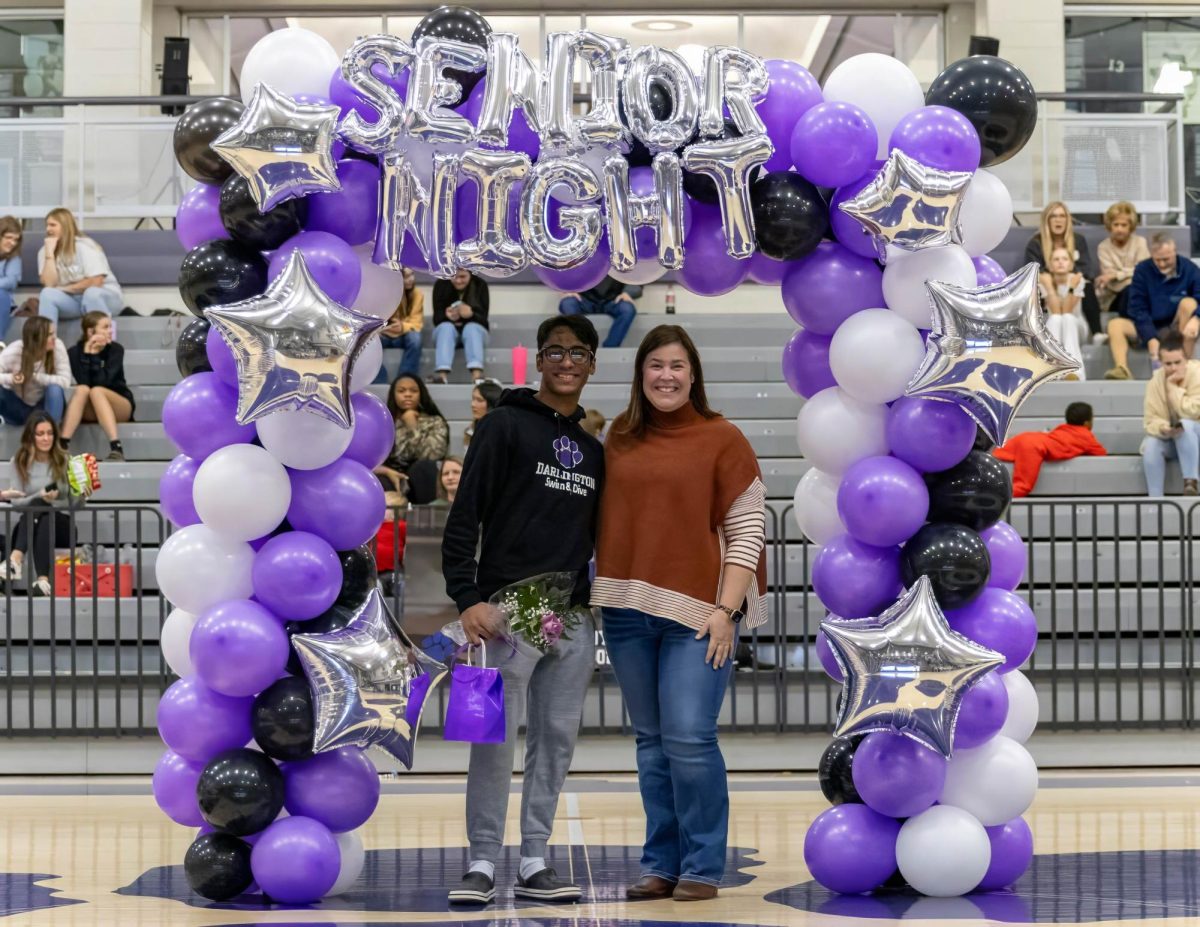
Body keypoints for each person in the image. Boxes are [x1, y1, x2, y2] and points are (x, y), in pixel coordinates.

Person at [591, 325, 768, 902]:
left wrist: (726, 610)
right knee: (651, 743)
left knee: (689, 739)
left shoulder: (724, 439)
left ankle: (702, 864)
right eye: (655, 366)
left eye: (677, 366)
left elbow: (747, 531)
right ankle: (660, 862)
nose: (666, 376)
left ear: (693, 374)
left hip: (700, 615)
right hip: (625, 612)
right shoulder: (618, 436)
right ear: (640, 374)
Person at [441, 314, 604, 906]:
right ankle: (483, 859)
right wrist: (467, 600)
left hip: (572, 615)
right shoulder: (504, 425)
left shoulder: (591, 450)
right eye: (556, 351)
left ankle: (534, 858)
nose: (567, 361)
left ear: (592, 364)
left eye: (578, 352)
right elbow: (465, 520)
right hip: (505, 613)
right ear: (539, 360)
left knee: (556, 739)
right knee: (492, 739)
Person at [0, 412, 77, 596]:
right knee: (40, 508)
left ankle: (15, 559)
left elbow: (75, 504)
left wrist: (82, 494)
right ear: (31, 436)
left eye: (50, 433)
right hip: (32, 525)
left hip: (62, 526)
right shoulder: (18, 462)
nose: (46, 438)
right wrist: (41, 495)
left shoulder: (65, 460)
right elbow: (17, 503)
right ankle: (43, 581)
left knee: (41, 508)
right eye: (40, 433)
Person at [1105, 234, 1200, 380]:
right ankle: (1122, 369)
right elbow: (1137, 308)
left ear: (1175, 252)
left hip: (1177, 326)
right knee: (1114, 325)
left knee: (1189, 304)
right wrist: (1150, 337)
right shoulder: (1142, 270)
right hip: (1147, 324)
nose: (1162, 264)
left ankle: (1184, 364)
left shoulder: (1190, 269)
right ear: (1151, 255)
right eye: (1157, 260)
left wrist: (1197, 318)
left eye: (1166, 259)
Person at [60, 312, 134, 461]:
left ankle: (116, 447)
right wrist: (89, 353)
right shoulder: (74, 352)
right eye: (105, 327)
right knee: (82, 389)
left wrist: (94, 357)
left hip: (119, 403)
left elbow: (105, 381)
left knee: (96, 391)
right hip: (90, 407)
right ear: (90, 332)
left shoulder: (116, 350)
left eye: (110, 327)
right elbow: (83, 381)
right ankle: (62, 445)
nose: (110, 331)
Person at [992, 402, 1107, 497]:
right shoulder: (1086, 436)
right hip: (1033, 447)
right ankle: (995, 498)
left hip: (1027, 437)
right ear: (1087, 423)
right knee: (1023, 486)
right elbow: (1101, 453)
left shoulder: (1063, 430)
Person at [1023, 201, 1101, 337]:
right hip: (1046, 287)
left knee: (1086, 286)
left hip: (1072, 285)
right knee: (1037, 289)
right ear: (1047, 220)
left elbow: (1086, 270)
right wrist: (1053, 280)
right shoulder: (1035, 243)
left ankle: (1097, 332)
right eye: (1053, 216)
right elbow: (1032, 273)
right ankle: (1036, 331)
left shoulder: (1078, 240)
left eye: (1062, 216)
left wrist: (1065, 278)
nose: (1058, 220)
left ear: (1067, 219)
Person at [36, 208, 123, 324]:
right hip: (74, 301)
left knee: (91, 293)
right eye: (47, 225)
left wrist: (65, 289)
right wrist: (49, 255)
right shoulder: (45, 251)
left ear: (65, 227)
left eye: (53, 225)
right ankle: (47, 340)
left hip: (105, 298)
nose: (48, 229)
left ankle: (104, 340)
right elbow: (49, 285)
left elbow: (96, 281)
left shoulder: (85, 246)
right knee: (46, 294)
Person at [1140, 331, 1200, 496]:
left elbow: (1194, 411)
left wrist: (1173, 389)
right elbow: (1150, 421)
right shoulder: (1155, 382)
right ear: (1160, 363)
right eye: (1168, 364)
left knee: (1185, 424)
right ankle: (1156, 500)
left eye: (1177, 362)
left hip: (1196, 435)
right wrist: (1163, 428)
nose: (1173, 368)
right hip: (1174, 438)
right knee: (1151, 444)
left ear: (1185, 359)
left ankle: (1191, 481)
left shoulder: (1197, 373)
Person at [374, 374, 449, 505]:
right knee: (380, 479)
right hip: (392, 478)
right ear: (393, 395)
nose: (408, 394)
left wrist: (412, 425)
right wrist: (387, 471)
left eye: (413, 391)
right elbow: (371, 458)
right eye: (401, 391)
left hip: (423, 479)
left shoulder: (435, 422)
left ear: (421, 394)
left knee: (423, 468)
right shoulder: (384, 423)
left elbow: (432, 455)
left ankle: (428, 520)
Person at [0, 317, 71, 425]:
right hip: (17, 407)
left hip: (43, 406)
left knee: (55, 389)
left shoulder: (58, 346)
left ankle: (51, 433)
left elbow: (65, 381)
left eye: (54, 333)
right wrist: (11, 378)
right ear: (36, 338)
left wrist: (35, 377)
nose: (54, 338)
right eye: (50, 335)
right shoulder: (15, 350)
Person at [432, 268, 489, 383]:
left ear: (470, 274)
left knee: (471, 328)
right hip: (448, 332)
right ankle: (441, 376)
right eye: (454, 276)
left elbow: (484, 320)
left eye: (462, 277)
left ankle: (477, 376)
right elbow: (436, 319)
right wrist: (446, 315)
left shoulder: (480, 285)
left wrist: (471, 313)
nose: (458, 281)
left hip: (474, 332)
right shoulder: (440, 284)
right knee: (446, 328)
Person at [1039, 248, 1088, 381]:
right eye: (1056, 259)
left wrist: (1071, 286)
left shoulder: (1077, 280)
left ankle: (1074, 371)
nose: (1061, 262)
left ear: (1071, 264)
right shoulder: (1045, 280)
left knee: (1067, 318)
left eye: (1065, 259)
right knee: (1055, 319)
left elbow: (1066, 310)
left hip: (1076, 325)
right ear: (1050, 265)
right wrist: (1049, 286)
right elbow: (1055, 311)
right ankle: (1053, 371)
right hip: (1056, 326)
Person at [1096, 201, 1150, 319]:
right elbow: (1111, 283)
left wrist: (1117, 275)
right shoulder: (1103, 247)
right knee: (1129, 290)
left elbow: (1144, 272)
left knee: (1133, 290)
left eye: (1124, 225)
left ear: (1131, 226)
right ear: (1110, 226)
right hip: (1113, 298)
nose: (1119, 229)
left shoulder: (1140, 243)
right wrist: (1130, 274)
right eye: (1116, 225)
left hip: (1139, 293)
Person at [558, 276, 641, 348]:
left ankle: (611, 346)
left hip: (613, 299)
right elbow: (568, 272)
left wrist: (628, 293)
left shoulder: (621, 257)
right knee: (568, 304)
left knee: (627, 309)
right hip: (584, 299)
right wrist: (567, 288)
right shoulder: (582, 257)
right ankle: (580, 345)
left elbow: (634, 276)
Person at [376, 266, 424, 382]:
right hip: (385, 334)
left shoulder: (417, 294)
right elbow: (377, 319)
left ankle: (405, 378)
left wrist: (402, 327)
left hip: (403, 334)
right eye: (406, 277)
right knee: (370, 342)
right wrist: (385, 328)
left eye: (412, 275)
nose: (411, 279)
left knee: (415, 338)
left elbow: (416, 322)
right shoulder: (386, 294)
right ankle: (379, 381)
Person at [0, 216, 23, 343]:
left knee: (1, 294)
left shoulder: (14, 258)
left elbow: (11, 281)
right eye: (8, 237)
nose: (12, 243)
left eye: (16, 239)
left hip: (2, 301)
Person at [463, 379, 503, 449]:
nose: (472, 404)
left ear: (492, 403)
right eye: (473, 399)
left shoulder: (503, 433)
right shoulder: (470, 431)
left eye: (479, 400)